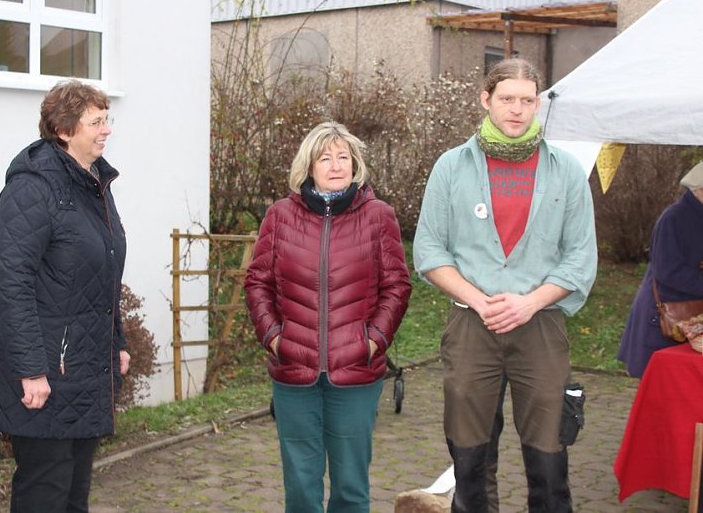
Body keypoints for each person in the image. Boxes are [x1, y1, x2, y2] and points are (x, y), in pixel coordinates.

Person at [413, 58, 597, 512]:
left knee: (550, 453)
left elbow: (580, 256)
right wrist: (478, 300)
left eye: (527, 100)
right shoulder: (451, 167)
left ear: (537, 104)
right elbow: (430, 251)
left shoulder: (566, 170)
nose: (517, 109)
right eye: (507, 99)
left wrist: (529, 303)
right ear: (486, 101)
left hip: (541, 325)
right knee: (470, 452)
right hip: (471, 325)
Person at [0, 80, 129, 513]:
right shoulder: (34, 187)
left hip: (83, 370)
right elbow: (10, 280)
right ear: (63, 129)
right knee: (44, 494)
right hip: (45, 375)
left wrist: (117, 342)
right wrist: (30, 369)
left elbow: (101, 275)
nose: (106, 130)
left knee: (73, 497)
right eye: (96, 121)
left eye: (106, 119)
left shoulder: (93, 183)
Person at [244, 121, 411, 512]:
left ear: (355, 165)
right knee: (301, 487)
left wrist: (373, 342)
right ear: (309, 166)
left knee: (351, 488)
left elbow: (397, 287)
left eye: (343, 157)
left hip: (356, 372)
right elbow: (257, 283)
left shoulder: (378, 216)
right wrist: (274, 338)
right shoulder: (280, 216)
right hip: (294, 372)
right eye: (325, 157)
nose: (336, 165)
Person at [617, 162, 703, 377]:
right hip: (665, 316)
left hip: (691, 315)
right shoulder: (674, 218)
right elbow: (668, 272)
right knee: (662, 387)